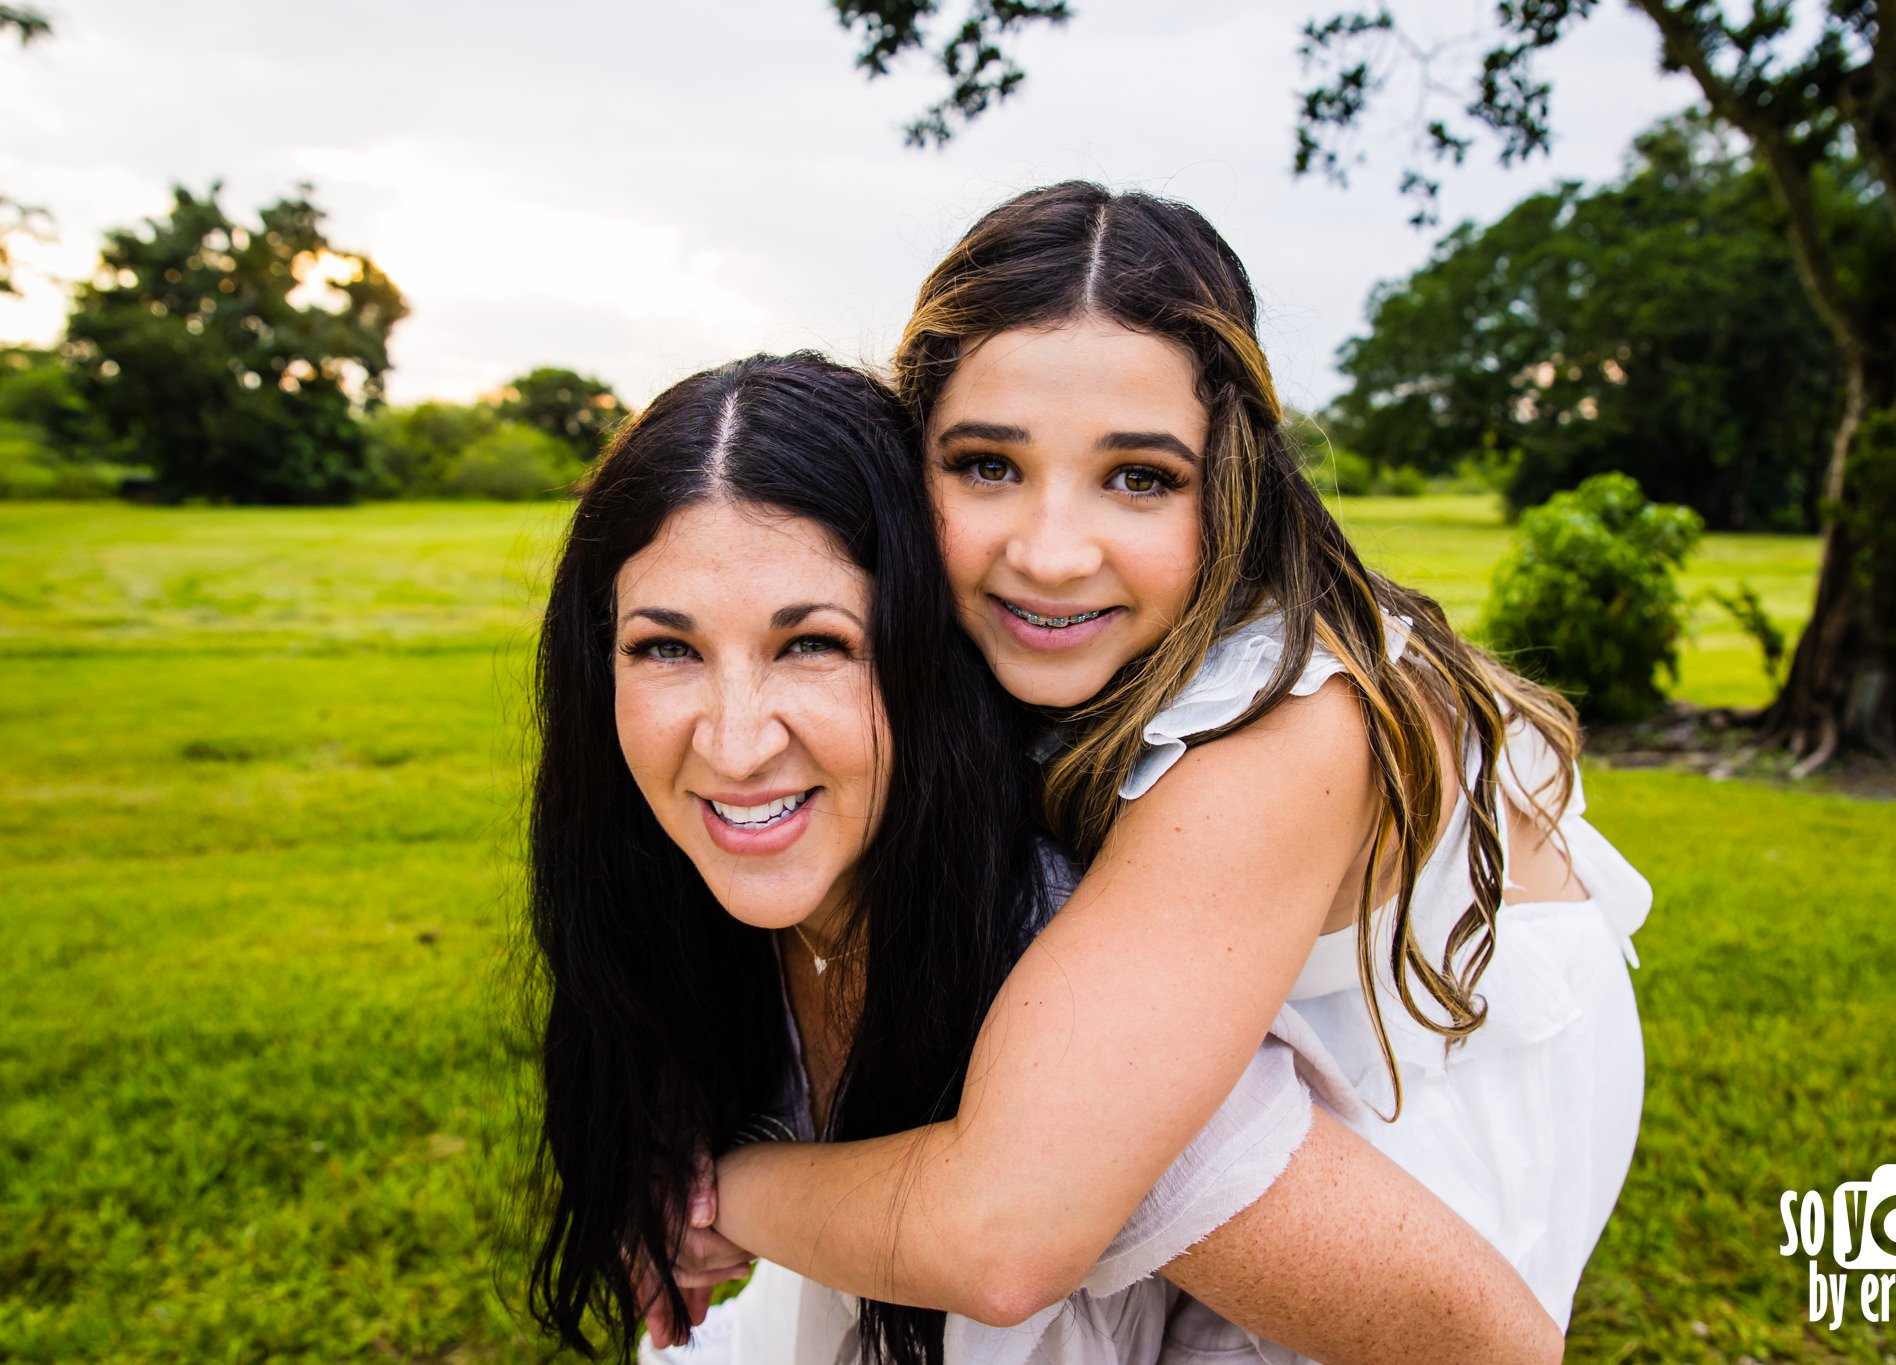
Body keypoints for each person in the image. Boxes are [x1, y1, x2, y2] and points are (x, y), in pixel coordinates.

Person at [699, 184, 1652, 1353]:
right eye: (986, 466)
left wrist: (717, 1194)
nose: (1050, 553)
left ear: (1231, 480)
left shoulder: (1291, 724)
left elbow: (1005, 1228)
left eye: (1139, 477)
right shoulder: (1011, 648)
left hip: (1426, 1120)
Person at [524, 351, 1562, 1365]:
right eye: (665, 648)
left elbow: (1489, 1347)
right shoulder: (692, 904)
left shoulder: (1065, 994)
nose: (735, 744)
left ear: (926, 658)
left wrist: (720, 1197)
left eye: (815, 645)